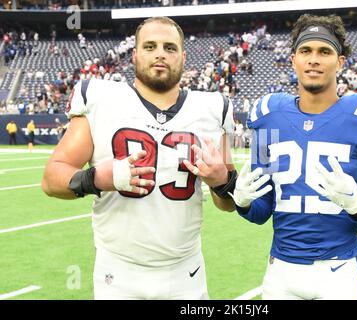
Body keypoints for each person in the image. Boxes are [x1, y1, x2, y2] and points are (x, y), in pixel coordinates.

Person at [42, 17, 237, 300]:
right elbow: (51, 178)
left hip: (185, 272)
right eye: (150, 46)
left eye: (170, 47)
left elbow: (228, 204)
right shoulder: (101, 97)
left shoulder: (213, 108)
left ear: (183, 57)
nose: (160, 53)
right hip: (117, 271)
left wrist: (221, 182)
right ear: (134, 54)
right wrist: (95, 178)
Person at [230, 14, 357, 300]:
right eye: (306, 51)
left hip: (339, 274)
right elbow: (261, 211)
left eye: (325, 51)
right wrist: (243, 202)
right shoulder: (269, 115)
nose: (314, 59)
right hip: (279, 274)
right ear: (293, 59)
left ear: (340, 62)